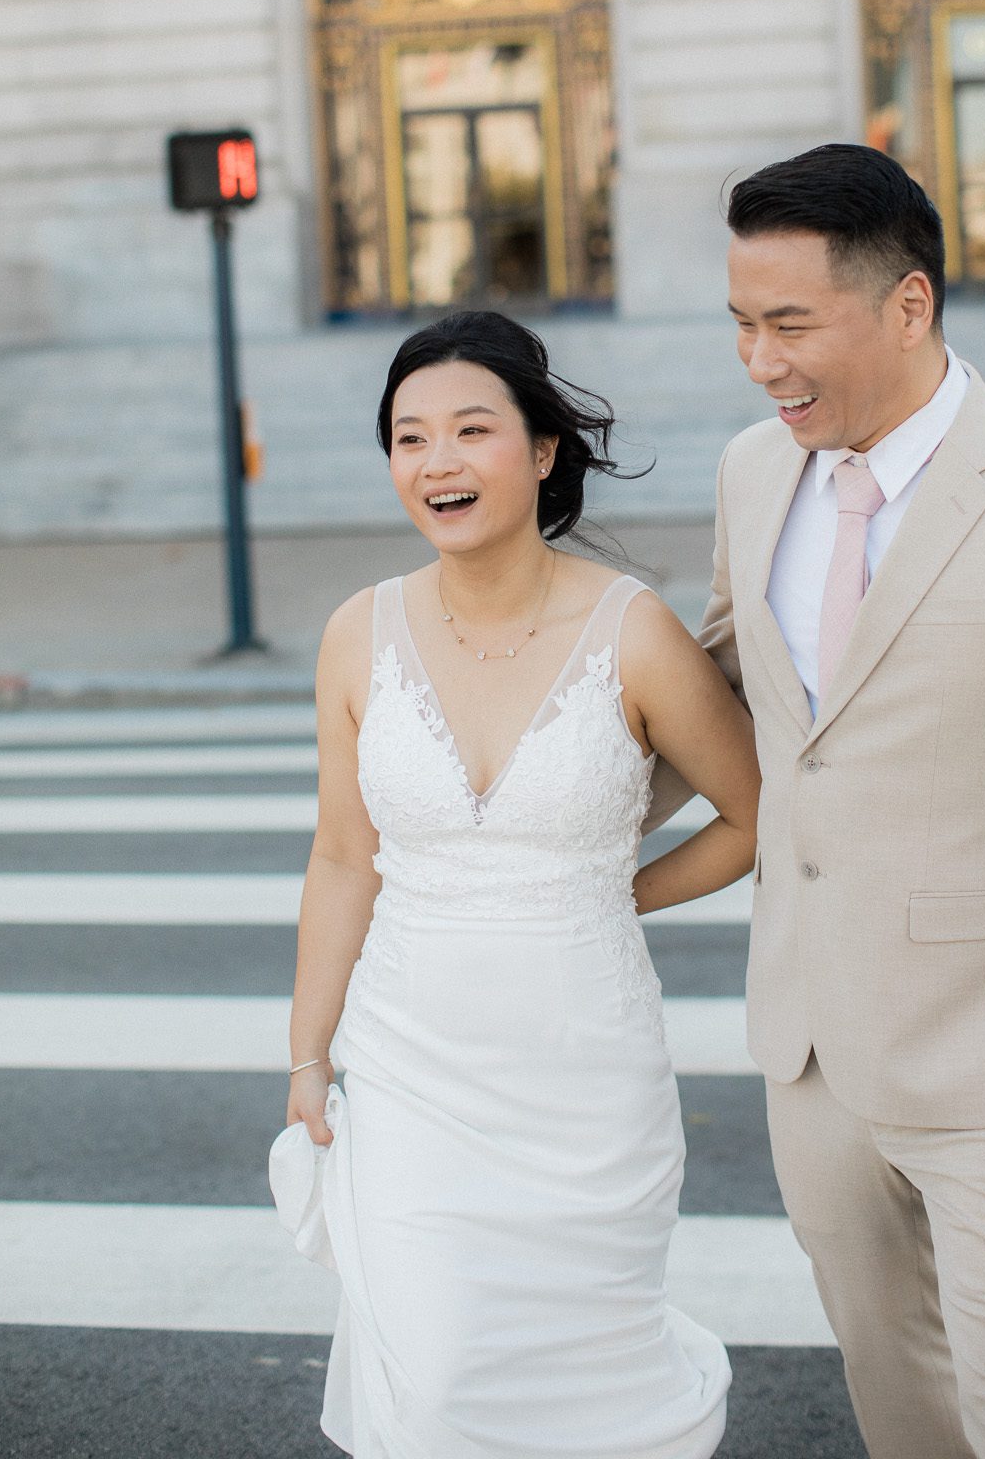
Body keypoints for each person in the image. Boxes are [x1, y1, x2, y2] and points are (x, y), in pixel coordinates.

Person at [649, 142, 985, 1458]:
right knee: (898, 1407)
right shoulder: (752, 472)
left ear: (907, 304)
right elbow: (724, 700)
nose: (758, 361)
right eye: (739, 325)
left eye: (788, 325)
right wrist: (529, 821)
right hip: (811, 1051)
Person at [287, 308, 761, 1459]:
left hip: (586, 1085)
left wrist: (610, 895)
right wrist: (307, 1053)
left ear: (543, 450)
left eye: (469, 429)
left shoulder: (633, 631)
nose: (435, 460)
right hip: (408, 1069)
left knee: (583, 1381)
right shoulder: (357, 632)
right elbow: (343, 853)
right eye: (408, 436)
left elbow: (754, 814)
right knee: (437, 1376)